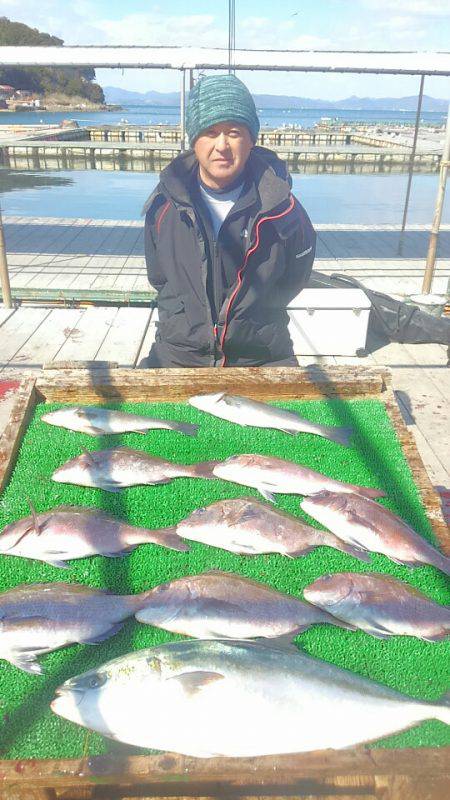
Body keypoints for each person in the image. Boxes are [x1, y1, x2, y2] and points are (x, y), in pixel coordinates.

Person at [141, 74, 316, 368]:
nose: (221, 145)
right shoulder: (163, 207)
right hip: (180, 354)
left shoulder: (285, 210)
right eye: (210, 131)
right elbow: (159, 278)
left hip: (262, 356)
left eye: (234, 132)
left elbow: (294, 279)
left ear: (251, 140)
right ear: (194, 139)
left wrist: (255, 323)